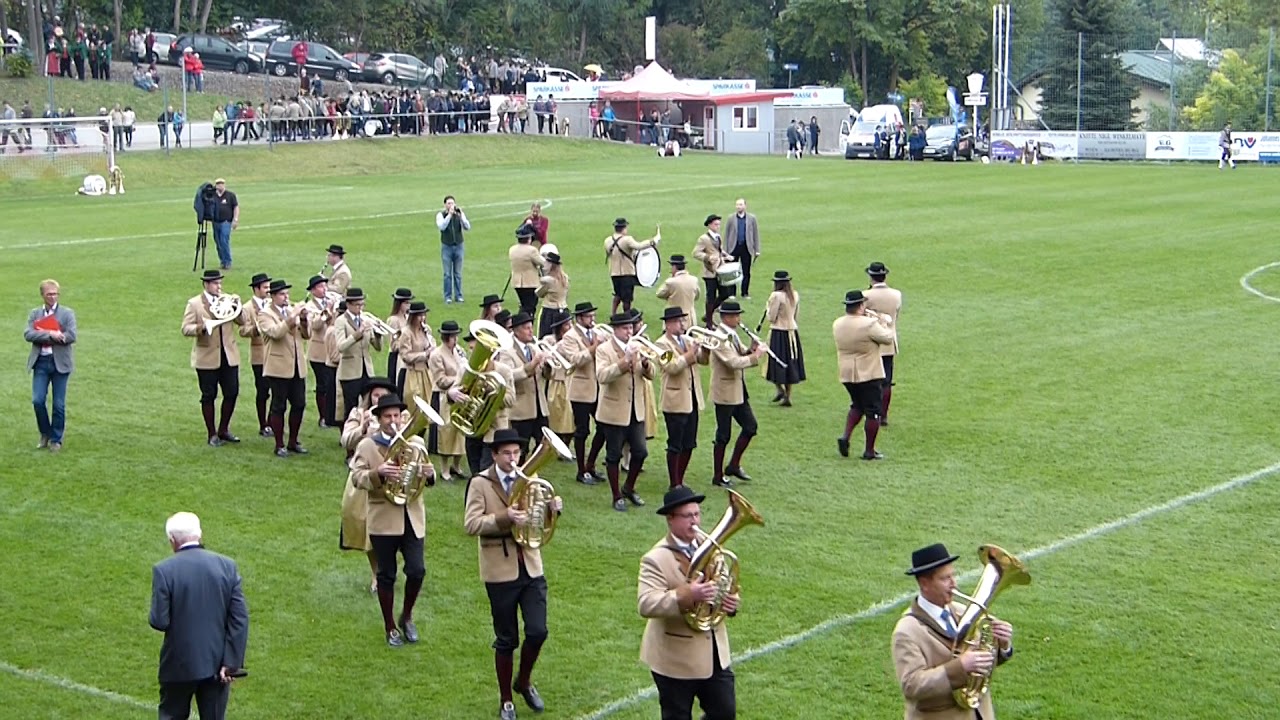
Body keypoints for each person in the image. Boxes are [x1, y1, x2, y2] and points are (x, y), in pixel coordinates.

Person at [463, 428, 563, 720]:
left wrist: (552, 510)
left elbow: (538, 521)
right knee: (507, 639)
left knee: (538, 631)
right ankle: (506, 698)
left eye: (516, 453)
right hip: (499, 571)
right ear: (494, 455)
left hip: (531, 567)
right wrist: (504, 518)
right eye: (506, 453)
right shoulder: (480, 484)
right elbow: (471, 525)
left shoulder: (529, 482)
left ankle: (524, 681)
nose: (513, 459)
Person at [638, 486, 738, 720]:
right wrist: (687, 595)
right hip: (675, 659)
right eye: (688, 516)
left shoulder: (709, 548)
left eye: (697, 514)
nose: (695, 521)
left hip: (714, 654)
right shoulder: (655, 559)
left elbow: (724, 582)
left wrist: (730, 602)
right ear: (670, 519)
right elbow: (646, 603)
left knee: (725, 713)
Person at [893, 543, 1014, 720]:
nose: (954, 584)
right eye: (945, 579)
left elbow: (982, 660)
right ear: (925, 584)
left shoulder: (961, 610)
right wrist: (960, 667)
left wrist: (1002, 646)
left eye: (953, 575)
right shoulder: (906, 632)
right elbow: (912, 686)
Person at [149, 512, 249, 720]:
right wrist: (231, 663)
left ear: (172, 541)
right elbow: (239, 619)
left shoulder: (164, 570)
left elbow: (159, 621)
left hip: (178, 665)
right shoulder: (227, 567)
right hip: (216, 666)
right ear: (199, 534)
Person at [351, 393, 433, 647]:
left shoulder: (415, 442)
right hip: (384, 519)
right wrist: (378, 472)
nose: (393, 421)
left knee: (417, 570)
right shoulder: (367, 445)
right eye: (388, 416)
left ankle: (406, 616)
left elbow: (425, 479)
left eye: (396, 415)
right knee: (387, 575)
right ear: (379, 418)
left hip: (411, 517)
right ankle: (390, 627)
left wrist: (428, 475)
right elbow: (356, 477)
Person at [340, 377, 397, 593]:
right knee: (367, 528)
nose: (379, 399)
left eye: (383, 396)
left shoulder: (398, 417)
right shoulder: (358, 413)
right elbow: (346, 441)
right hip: (364, 478)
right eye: (375, 395)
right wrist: (363, 429)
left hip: (393, 478)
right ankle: (376, 573)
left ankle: (388, 569)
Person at [595, 312, 655, 511]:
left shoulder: (639, 347)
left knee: (640, 451)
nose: (629, 332)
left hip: (635, 410)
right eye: (625, 329)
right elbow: (602, 376)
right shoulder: (604, 350)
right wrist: (624, 361)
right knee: (613, 455)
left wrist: (646, 363)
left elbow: (651, 375)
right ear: (615, 330)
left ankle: (629, 487)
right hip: (613, 410)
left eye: (631, 328)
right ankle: (616, 495)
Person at [181, 270, 246, 446]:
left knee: (232, 392)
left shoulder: (227, 299)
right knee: (209, 395)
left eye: (220, 283)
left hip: (228, 355)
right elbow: (185, 328)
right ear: (206, 285)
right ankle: (212, 433)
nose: (219, 287)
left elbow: (242, 321)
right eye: (216, 283)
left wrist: (238, 307)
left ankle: (224, 429)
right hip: (207, 357)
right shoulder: (194, 304)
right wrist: (202, 328)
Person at [708, 301, 766, 487]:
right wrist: (756, 356)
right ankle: (718, 476)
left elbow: (742, 353)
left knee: (750, 427)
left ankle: (733, 464)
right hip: (724, 392)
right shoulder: (718, 337)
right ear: (726, 317)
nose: (739, 319)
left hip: (738, 390)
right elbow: (733, 362)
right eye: (735, 316)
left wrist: (752, 347)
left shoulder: (732, 334)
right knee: (723, 435)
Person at [833, 290, 895, 460]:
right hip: (868, 372)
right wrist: (884, 322)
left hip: (847, 373)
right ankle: (869, 450)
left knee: (857, 405)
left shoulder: (838, 323)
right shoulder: (869, 324)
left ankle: (846, 436)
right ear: (861, 305)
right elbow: (887, 338)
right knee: (873, 411)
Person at [654, 308, 708, 488]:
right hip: (675, 400)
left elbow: (703, 360)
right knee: (675, 444)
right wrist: (690, 354)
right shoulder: (661, 344)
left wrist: (705, 349)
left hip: (692, 397)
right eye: (678, 322)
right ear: (668, 324)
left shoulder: (686, 340)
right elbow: (672, 367)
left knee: (689, 443)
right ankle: (674, 482)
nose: (683, 325)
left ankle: (680, 478)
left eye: (683, 321)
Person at [258, 279, 311, 457]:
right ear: (273, 297)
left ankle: (293, 441)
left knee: (299, 404)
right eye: (282, 294)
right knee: (278, 406)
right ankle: (279, 443)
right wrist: (292, 317)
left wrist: (303, 320)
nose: (286, 297)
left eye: (287, 293)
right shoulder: (264, 314)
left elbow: (306, 335)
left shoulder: (291, 311)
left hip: (297, 365)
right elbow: (275, 333)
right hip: (278, 366)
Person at [25, 279, 76, 452]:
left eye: (55, 294)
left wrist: (59, 336)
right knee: (37, 400)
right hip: (41, 362)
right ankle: (45, 432)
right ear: (42, 295)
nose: (53, 297)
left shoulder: (67, 313)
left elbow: (71, 335)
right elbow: (28, 334)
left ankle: (56, 439)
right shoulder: (35, 314)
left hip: (60, 363)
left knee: (59, 404)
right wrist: (50, 334)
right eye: (49, 294)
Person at [560, 302, 607, 485]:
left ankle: (591, 464)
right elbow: (575, 360)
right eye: (589, 317)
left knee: (603, 427)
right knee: (582, 430)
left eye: (593, 316)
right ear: (579, 318)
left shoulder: (597, 332)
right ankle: (581, 470)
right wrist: (595, 347)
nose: (593, 320)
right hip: (580, 390)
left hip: (598, 388)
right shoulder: (569, 337)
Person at [426, 322, 468, 481]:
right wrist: (461, 379)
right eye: (453, 336)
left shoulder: (459, 351)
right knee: (446, 432)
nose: (456, 339)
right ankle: (444, 469)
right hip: (443, 396)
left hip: (460, 394)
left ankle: (456, 466)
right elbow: (440, 380)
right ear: (446, 337)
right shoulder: (437, 355)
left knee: (460, 432)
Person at [862, 262, 902, 424]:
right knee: (887, 380)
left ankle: (873, 411)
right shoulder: (896, 294)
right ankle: (883, 414)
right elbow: (896, 316)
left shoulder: (866, 295)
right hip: (889, 340)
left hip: (871, 341)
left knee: (870, 379)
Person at [335, 288, 384, 418]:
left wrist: (378, 334)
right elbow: (341, 346)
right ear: (348, 305)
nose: (360, 308)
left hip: (366, 370)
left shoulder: (365, 319)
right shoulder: (341, 321)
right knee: (351, 407)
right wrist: (358, 333)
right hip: (350, 372)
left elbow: (378, 348)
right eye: (357, 305)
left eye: (362, 304)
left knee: (368, 405)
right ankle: (349, 434)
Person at [507, 312, 550, 454]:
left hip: (539, 407)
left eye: (531, 327)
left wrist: (547, 366)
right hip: (521, 410)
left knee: (543, 445)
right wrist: (533, 364)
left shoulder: (533, 348)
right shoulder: (507, 351)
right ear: (516, 331)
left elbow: (546, 376)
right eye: (527, 328)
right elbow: (509, 375)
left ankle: (533, 473)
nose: (531, 331)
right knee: (521, 449)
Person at [763, 271, 806, 407]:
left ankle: (779, 389)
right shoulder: (794, 295)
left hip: (778, 331)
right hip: (792, 332)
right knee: (790, 362)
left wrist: (767, 307)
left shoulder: (776, 296)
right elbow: (796, 315)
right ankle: (787, 395)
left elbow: (771, 317)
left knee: (775, 362)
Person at [239, 273, 275, 437]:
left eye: (269, 287)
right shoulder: (247, 308)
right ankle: (263, 424)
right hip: (259, 355)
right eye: (265, 287)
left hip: (275, 353)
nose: (268, 290)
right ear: (256, 289)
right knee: (262, 390)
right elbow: (242, 330)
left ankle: (272, 421)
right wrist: (255, 330)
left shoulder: (273, 304)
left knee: (278, 390)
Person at [302, 275, 339, 428]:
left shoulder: (331, 301)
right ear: (312, 290)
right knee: (322, 385)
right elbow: (315, 326)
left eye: (325, 286)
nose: (324, 289)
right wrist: (328, 310)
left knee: (333, 384)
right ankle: (323, 416)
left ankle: (332, 414)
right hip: (317, 351)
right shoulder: (309, 306)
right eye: (320, 287)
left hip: (332, 349)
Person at [604, 217, 659, 316]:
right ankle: (627, 316)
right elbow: (639, 246)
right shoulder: (627, 240)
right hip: (627, 272)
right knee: (627, 298)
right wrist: (653, 241)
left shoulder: (607, 241)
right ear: (624, 228)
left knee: (617, 295)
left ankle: (613, 314)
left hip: (614, 273)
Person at [693, 214, 734, 327]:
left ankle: (708, 314)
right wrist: (707, 258)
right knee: (710, 296)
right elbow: (696, 253)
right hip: (709, 271)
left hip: (720, 269)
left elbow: (719, 250)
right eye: (716, 224)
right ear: (710, 225)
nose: (718, 226)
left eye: (719, 224)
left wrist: (726, 255)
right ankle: (709, 323)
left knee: (725, 293)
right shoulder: (703, 239)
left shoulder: (718, 237)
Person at [396, 301, 435, 410]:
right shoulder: (406, 332)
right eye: (419, 316)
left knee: (429, 403)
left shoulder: (426, 330)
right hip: (413, 373)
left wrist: (432, 348)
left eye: (424, 315)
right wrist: (424, 354)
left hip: (426, 372)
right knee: (415, 404)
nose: (422, 318)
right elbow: (405, 356)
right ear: (413, 317)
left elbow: (431, 346)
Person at [722, 200, 760, 299]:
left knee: (746, 271)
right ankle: (731, 293)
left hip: (746, 247)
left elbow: (755, 234)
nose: (738, 207)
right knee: (731, 271)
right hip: (733, 247)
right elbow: (726, 234)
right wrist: (725, 251)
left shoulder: (752, 218)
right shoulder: (731, 218)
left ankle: (745, 292)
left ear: (745, 206)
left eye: (740, 205)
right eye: (737, 205)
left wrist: (757, 249)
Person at [437, 195, 471, 304]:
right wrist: (449, 216)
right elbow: (442, 226)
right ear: (445, 205)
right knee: (447, 274)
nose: (451, 205)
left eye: (452, 203)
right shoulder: (440, 215)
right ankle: (447, 296)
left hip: (459, 246)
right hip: (446, 246)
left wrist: (460, 217)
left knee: (457, 273)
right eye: (449, 203)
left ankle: (458, 295)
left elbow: (467, 227)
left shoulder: (459, 213)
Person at [509, 224, 546, 319]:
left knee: (524, 305)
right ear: (529, 238)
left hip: (517, 282)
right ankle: (525, 323)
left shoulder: (512, 249)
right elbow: (543, 263)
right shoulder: (531, 250)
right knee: (530, 307)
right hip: (530, 282)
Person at [656, 254, 700, 324]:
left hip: (675, 319)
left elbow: (659, 293)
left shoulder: (671, 282)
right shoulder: (694, 280)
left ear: (674, 267)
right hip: (690, 320)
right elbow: (696, 296)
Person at [535, 252, 570, 339]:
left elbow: (538, 293)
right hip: (564, 308)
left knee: (545, 336)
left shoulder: (548, 281)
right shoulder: (565, 278)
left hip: (550, 311)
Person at [207, 179, 239, 271]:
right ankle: (222, 260)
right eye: (218, 184)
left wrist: (235, 219)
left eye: (221, 184)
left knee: (224, 240)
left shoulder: (230, 195)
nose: (220, 186)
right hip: (216, 222)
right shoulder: (213, 196)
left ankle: (228, 261)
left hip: (226, 221)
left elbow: (236, 207)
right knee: (218, 242)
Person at [385, 288, 415, 387]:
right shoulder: (393, 320)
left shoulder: (407, 318)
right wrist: (406, 343)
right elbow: (393, 345)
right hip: (396, 357)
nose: (408, 305)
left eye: (409, 303)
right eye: (406, 303)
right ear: (399, 304)